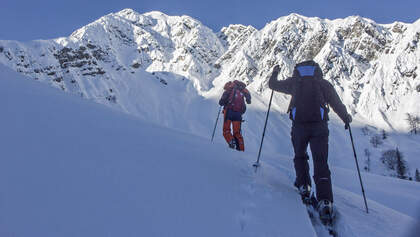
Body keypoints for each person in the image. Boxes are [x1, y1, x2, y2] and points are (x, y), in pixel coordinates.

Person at [268, 60, 352, 223]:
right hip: (320, 128)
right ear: (316, 70)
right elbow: (336, 102)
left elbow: (273, 85)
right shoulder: (322, 83)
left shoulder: (294, 82)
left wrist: (275, 72)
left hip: (299, 126)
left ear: (297, 71)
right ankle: (325, 201)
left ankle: (304, 186)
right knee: (321, 162)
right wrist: (346, 118)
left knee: (300, 155)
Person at [219, 80, 251, 151]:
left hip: (229, 112)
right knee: (237, 133)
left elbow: (221, 102)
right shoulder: (242, 90)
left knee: (226, 130)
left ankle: (231, 141)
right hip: (238, 114)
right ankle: (241, 148)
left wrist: (222, 103)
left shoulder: (229, 89)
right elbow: (248, 99)